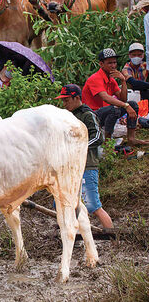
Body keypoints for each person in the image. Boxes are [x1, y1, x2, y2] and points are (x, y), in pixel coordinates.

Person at [55, 84, 113, 229]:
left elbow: (98, 137)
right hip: (70, 167)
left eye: (67, 100)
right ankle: (71, 233)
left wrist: (80, 147)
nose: (65, 103)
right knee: (62, 202)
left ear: (77, 98)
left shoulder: (88, 115)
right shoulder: (67, 116)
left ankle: (113, 236)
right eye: (63, 100)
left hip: (86, 166)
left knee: (93, 205)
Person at [82, 48, 149, 145]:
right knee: (115, 109)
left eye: (114, 62)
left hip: (105, 113)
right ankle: (108, 142)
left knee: (133, 104)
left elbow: (123, 99)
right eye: (110, 63)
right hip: (92, 115)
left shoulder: (111, 79)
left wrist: (123, 81)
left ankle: (131, 138)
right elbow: (105, 97)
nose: (113, 66)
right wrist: (126, 106)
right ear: (101, 64)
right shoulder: (95, 78)